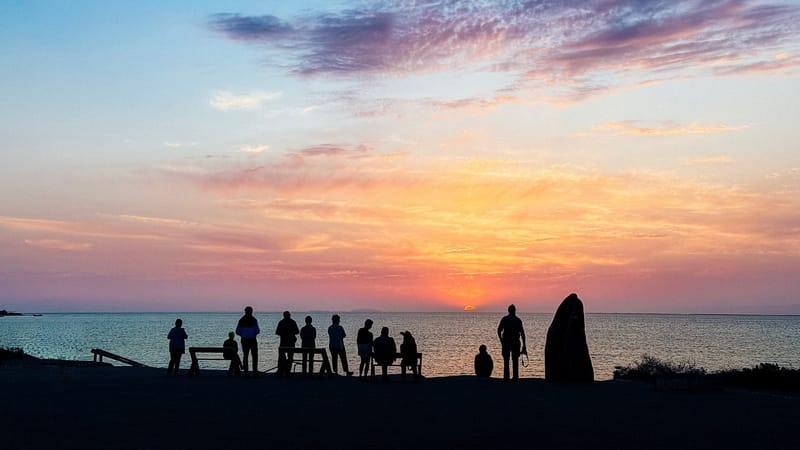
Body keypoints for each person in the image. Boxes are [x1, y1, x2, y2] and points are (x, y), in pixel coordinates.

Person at [497, 304, 527, 382]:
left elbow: (499, 330)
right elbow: (522, 333)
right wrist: (524, 345)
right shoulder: (518, 320)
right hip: (515, 342)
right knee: (515, 360)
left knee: (506, 361)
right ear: (514, 311)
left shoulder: (504, 319)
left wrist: (501, 340)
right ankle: (515, 378)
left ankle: (506, 378)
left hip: (507, 342)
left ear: (508, 310)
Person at [235, 306, 260, 377]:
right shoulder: (254, 320)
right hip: (252, 340)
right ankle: (255, 372)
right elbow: (257, 330)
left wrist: (243, 334)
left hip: (244, 340)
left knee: (245, 356)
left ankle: (246, 373)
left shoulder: (241, 320)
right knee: (254, 356)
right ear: (251, 312)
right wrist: (252, 333)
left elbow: (237, 331)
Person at [275, 311, 299, 376]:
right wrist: (290, 333)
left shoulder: (281, 322)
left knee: (282, 356)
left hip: (284, 342)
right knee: (290, 357)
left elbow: (277, 332)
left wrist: (283, 333)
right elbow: (297, 331)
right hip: (290, 342)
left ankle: (281, 370)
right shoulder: (292, 322)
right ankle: (287, 370)